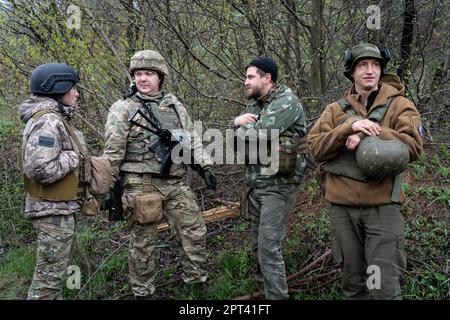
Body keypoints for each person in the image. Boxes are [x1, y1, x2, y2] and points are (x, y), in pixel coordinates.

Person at [307, 43, 424, 299]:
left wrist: (370, 131)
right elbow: (315, 147)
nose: (370, 70)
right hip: (342, 210)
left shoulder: (399, 105)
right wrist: (348, 128)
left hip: (381, 209)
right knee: (353, 287)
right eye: (362, 65)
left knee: (383, 289)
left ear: (382, 70)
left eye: (375, 65)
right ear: (352, 72)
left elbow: (414, 146)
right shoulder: (335, 110)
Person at [103, 50, 217, 299]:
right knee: (143, 244)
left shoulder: (174, 106)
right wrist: (106, 186)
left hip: (176, 182)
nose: (143, 79)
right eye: (138, 74)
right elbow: (112, 152)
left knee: (194, 231)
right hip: (140, 184)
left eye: (149, 74)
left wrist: (205, 166)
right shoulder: (123, 108)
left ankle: (196, 284)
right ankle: (143, 293)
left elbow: (191, 139)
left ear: (160, 77)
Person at [231, 57, 307, 299]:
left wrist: (240, 128)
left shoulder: (286, 102)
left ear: (267, 78)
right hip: (256, 186)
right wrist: (235, 124)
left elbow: (261, 133)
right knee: (257, 248)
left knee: (268, 249)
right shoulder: (257, 105)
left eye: (250, 77)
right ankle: (265, 295)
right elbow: (235, 143)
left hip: (278, 188)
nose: (246, 82)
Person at [20, 63, 83, 299]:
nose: (76, 94)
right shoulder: (48, 122)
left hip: (56, 210)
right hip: (52, 213)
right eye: (73, 88)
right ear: (59, 88)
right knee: (47, 284)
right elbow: (40, 168)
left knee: (52, 278)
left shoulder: (52, 118)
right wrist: (72, 156)